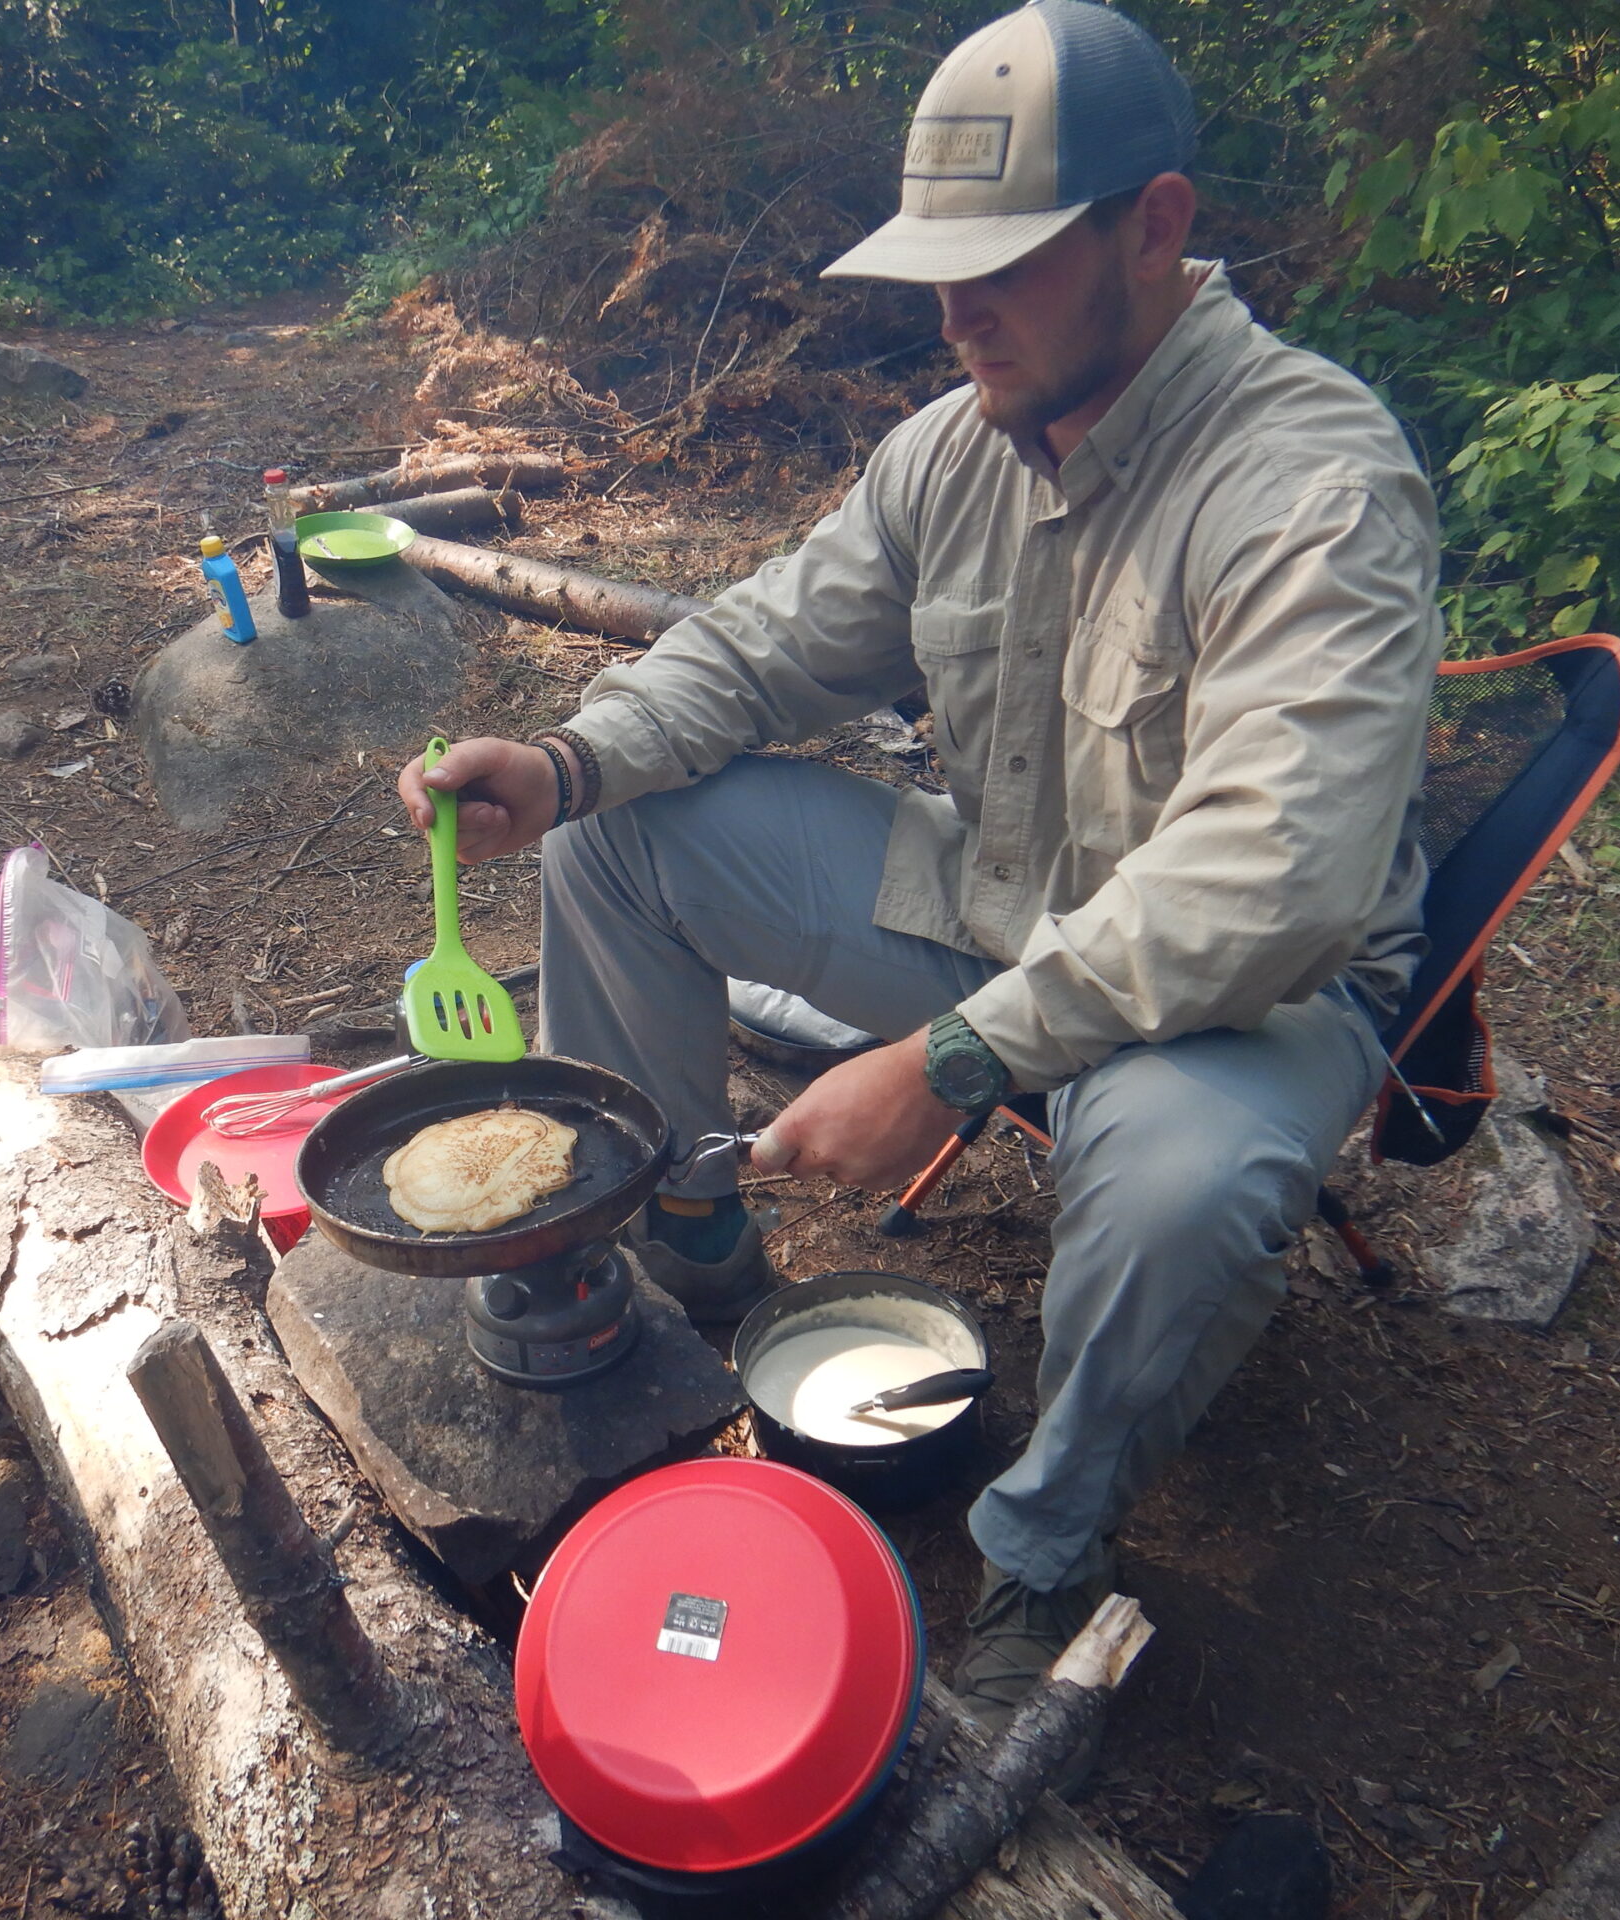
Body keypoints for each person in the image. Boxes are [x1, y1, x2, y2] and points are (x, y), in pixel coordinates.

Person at [398, 0, 1443, 1743]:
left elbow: (1276, 879)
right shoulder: (954, 449)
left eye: (1007, 265)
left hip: (1239, 1003)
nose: (958, 318)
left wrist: (952, 1065)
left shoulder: (1310, 482)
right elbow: (756, 651)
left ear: (1155, 227)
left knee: (1182, 1191)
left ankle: (1042, 1559)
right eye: (937, 274)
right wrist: (570, 762)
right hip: (1002, 902)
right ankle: (690, 1243)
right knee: (620, 840)